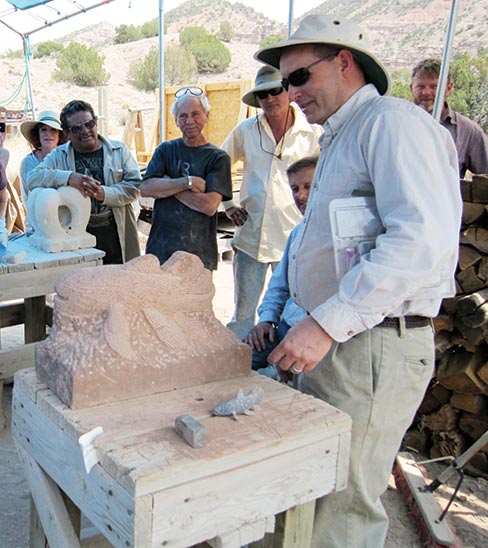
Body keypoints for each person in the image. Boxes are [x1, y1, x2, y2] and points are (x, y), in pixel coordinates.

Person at [256, 14, 462, 548]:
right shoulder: (342, 137)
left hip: (370, 346)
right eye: (285, 84)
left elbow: (419, 240)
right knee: (319, 490)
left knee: (342, 506)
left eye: (299, 77)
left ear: (344, 62)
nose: (291, 93)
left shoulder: (391, 124)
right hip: (348, 342)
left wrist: (325, 323)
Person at [222, 65, 322, 339]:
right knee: (243, 315)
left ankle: (277, 372)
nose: (269, 99)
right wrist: (228, 205)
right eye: (262, 94)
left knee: (289, 313)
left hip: (292, 239)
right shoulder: (245, 131)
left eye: (275, 91)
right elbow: (219, 165)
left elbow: (324, 178)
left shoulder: (312, 133)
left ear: (288, 91)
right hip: (251, 237)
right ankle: (241, 367)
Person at [26, 100, 141, 264]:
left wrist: (104, 194)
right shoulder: (59, 155)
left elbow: (135, 187)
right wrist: (68, 177)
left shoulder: (119, 151)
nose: (85, 131)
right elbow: (33, 178)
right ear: (67, 133)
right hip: (76, 236)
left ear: (96, 122)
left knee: (118, 282)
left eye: (89, 124)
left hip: (115, 230)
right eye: (77, 128)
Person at [141, 86, 232, 271]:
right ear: (176, 121)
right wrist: (187, 182)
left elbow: (209, 206)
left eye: (195, 114)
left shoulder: (218, 158)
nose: (189, 121)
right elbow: (146, 189)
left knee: (196, 299)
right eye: (182, 116)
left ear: (207, 116)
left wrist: (167, 185)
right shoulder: (165, 150)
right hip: (161, 250)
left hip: (199, 254)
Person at [245, 156, 317, 380]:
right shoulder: (298, 233)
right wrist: (266, 320)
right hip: (283, 328)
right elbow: (279, 285)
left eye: (308, 186)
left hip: (310, 335)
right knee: (232, 360)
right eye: (295, 189)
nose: (300, 196)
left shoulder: (338, 236)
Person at [410, 58, 488, 178]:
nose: (426, 92)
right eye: (420, 87)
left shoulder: (468, 131)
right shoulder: (396, 125)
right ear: (411, 88)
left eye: (434, 87)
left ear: (448, 88)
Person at [19, 110, 67, 203]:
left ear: (59, 134)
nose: (48, 134)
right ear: (38, 133)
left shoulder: (67, 158)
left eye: (53, 129)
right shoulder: (27, 162)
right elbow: (26, 196)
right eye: (43, 129)